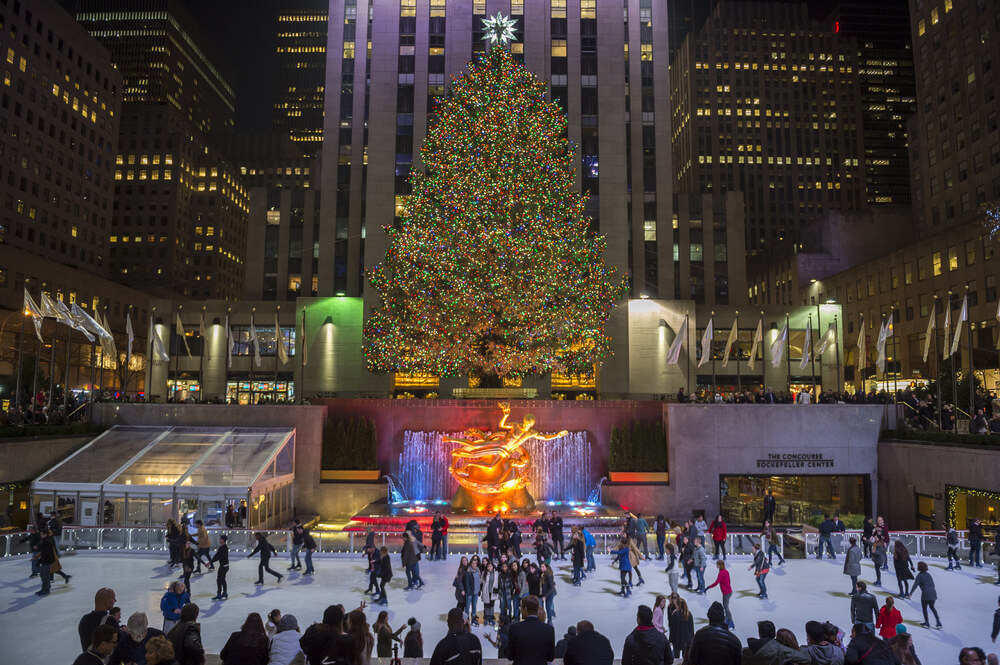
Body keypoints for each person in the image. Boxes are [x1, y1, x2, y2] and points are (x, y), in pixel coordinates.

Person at [507, 595, 555, 665]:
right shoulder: (549, 629)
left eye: (521, 608)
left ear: (525, 609)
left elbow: (510, 656)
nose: (520, 610)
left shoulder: (514, 628)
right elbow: (550, 657)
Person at [742, 620, 810, 665]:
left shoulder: (745, 652)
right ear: (775, 634)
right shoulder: (782, 650)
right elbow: (806, 658)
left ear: (759, 634)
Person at [912, 561, 941, 628]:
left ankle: (927, 622)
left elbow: (915, 585)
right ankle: (938, 622)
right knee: (932, 607)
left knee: (924, 608)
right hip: (933, 593)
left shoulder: (919, 576)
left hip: (926, 594)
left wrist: (910, 593)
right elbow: (933, 584)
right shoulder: (928, 575)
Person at [706, 560, 735, 628]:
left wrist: (708, 587)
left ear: (720, 565)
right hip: (728, 591)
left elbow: (716, 582)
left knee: (726, 608)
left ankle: (731, 623)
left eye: (717, 564)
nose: (716, 566)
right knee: (726, 607)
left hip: (726, 592)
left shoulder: (722, 573)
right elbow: (728, 581)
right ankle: (727, 620)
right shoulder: (726, 571)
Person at [667, 597, 694, 661]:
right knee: (686, 659)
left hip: (677, 640)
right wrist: (692, 640)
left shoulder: (675, 614)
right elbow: (691, 629)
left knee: (676, 658)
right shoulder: (689, 614)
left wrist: (670, 640)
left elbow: (672, 629)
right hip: (687, 640)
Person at [211, 534, 230, 600]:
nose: (219, 540)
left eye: (220, 539)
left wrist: (211, 561)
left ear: (223, 540)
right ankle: (224, 593)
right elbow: (217, 555)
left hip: (224, 566)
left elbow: (219, 556)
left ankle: (219, 594)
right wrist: (211, 561)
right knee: (222, 579)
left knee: (219, 580)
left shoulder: (224, 547)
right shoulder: (221, 547)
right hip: (225, 566)